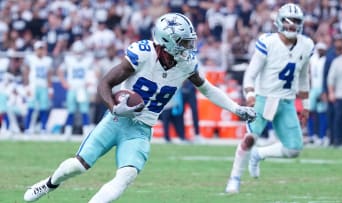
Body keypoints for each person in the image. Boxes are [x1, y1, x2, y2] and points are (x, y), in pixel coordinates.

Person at [24, 13, 256, 202]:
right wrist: (115, 108)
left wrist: (236, 108)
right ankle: (50, 183)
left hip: (142, 128)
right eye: (184, 42)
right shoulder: (142, 54)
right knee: (78, 166)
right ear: (167, 41)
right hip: (116, 120)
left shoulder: (186, 64)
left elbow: (207, 88)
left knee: (126, 175)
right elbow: (105, 83)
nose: (188, 47)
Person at [225, 3, 314, 193]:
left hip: (287, 101)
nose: (292, 26)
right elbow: (250, 75)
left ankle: (259, 154)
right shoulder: (268, 42)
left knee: (294, 149)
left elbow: (304, 77)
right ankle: (235, 178)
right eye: (288, 22)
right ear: (279, 22)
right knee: (250, 138)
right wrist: (250, 95)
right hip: (263, 99)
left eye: (296, 22)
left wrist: (306, 105)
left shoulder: (306, 45)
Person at [57, 40, 93, 137]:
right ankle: (68, 131)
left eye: (80, 52)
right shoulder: (68, 59)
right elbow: (60, 70)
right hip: (72, 88)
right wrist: (64, 82)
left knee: (84, 110)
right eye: (77, 52)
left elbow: (94, 71)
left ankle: (86, 131)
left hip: (82, 88)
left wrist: (90, 81)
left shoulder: (88, 60)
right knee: (71, 110)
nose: (78, 54)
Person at [23, 41, 54, 134]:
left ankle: (43, 127)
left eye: (42, 49)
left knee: (44, 108)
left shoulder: (47, 60)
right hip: (33, 86)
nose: (40, 51)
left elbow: (49, 75)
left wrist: (50, 88)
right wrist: (26, 86)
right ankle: (27, 128)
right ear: (35, 49)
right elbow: (26, 73)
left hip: (43, 86)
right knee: (30, 108)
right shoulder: (30, 59)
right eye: (39, 49)